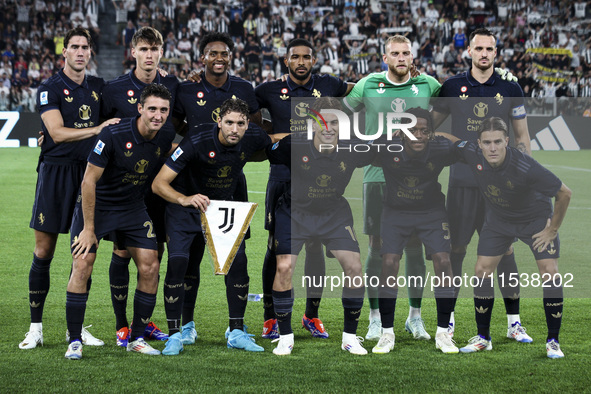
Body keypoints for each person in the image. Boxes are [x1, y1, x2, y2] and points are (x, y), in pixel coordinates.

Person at [152, 98, 281, 355]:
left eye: (240, 124)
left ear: (248, 126)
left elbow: (274, 144)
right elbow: (159, 183)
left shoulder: (253, 135)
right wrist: (185, 199)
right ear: (219, 121)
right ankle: (178, 332)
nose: (234, 129)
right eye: (229, 122)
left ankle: (236, 331)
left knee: (239, 261)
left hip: (224, 206)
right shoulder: (197, 140)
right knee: (180, 262)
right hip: (186, 204)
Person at [20, 27, 119, 350]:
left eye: (84, 47)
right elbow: (57, 133)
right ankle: (36, 327)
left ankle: (73, 329)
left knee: (83, 257)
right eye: (73, 46)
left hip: (88, 176)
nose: (79, 52)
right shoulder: (50, 88)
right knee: (44, 252)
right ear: (64, 52)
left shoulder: (98, 87)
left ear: (90, 53)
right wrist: (97, 129)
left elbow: (122, 115)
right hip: (55, 174)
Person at [432, 28, 532, 341]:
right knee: (455, 252)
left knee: (505, 252)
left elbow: (522, 137)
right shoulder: (452, 86)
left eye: (490, 49)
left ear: (496, 52)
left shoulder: (510, 86)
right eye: (479, 49)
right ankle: (447, 323)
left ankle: (514, 323)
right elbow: (426, 126)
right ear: (470, 52)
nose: (485, 54)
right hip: (462, 183)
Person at [65, 83, 175, 359]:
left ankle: (137, 336)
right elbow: (88, 180)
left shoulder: (165, 137)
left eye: (163, 110)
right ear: (140, 109)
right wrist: (89, 229)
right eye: (152, 109)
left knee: (150, 265)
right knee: (82, 263)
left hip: (132, 208)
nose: (157, 115)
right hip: (97, 207)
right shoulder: (113, 134)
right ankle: (75, 340)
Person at [343, 35, 441, 342]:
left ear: (412, 58)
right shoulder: (368, 84)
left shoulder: (428, 85)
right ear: (385, 57)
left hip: (417, 176)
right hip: (377, 176)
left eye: (406, 53)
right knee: (377, 245)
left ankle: (415, 316)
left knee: (414, 244)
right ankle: (375, 317)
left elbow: (459, 99)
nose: (401, 57)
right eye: (395, 53)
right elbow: (339, 112)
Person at [254, 38, 354, 340]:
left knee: (314, 244)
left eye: (306, 57)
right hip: (282, 174)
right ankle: (270, 316)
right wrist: (274, 134)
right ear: (286, 60)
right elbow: (249, 116)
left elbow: (360, 90)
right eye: (295, 57)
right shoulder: (268, 89)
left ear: (314, 60)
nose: (301, 62)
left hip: (319, 174)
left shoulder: (330, 84)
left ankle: (312, 314)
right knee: (276, 247)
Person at [447, 117, 570, 359]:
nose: (492, 148)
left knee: (549, 272)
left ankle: (553, 341)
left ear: (506, 141)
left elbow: (564, 193)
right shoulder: (473, 152)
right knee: (482, 270)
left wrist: (552, 230)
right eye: (487, 142)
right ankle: (483, 338)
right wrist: (430, 135)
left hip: (534, 219)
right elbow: (454, 141)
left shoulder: (526, 166)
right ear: (479, 144)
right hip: (499, 220)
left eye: (497, 142)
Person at [169, 32, 262, 349]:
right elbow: (174, 126)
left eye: (224, 52)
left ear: (231, 56)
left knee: (237, 258)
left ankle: (236, 329)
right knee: (189, 260)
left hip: (230, 186)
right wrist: (194, 146)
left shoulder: (244, 89)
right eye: (212, 53)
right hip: (193, 187)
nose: (218, 57)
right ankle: (186, 326)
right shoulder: (186, 89)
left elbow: (257, 128)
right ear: (202, 58)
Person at [268, 97, 371, 356]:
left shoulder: (353, 148)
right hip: (294, 212)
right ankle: (285, 336)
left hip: (333, 213)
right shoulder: (294, 144)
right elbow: (261, 148)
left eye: (334, 122)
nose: (328, 128)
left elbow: (389, 155)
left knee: (354, 267)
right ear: (312, 125)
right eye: (321, 122)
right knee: (284, 267)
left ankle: (349, 337)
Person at [101, 26, 178, 347]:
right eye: (143, 49)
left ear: (162, 52)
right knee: (121, 251)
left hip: (158, 183)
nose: (149, 55)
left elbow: (185, 124)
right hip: (126, 188)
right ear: (132, 52)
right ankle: (122, 326)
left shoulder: (174, 86)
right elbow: (99, 129)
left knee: (153, 255)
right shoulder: (114, 89)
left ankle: (142, 324)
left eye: (154, 49)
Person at [371, 108, 458, 355]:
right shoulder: (387, 146)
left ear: (431, 133)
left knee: (443, 260)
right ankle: (387, 332)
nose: (418, 135)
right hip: (396, 212)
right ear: (401, 132)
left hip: (431, 212)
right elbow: (358, 152)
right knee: (389, 262)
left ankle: (443, 332)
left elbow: (464, 148)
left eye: (424, 130)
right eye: (412, 130)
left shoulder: (440, 147)